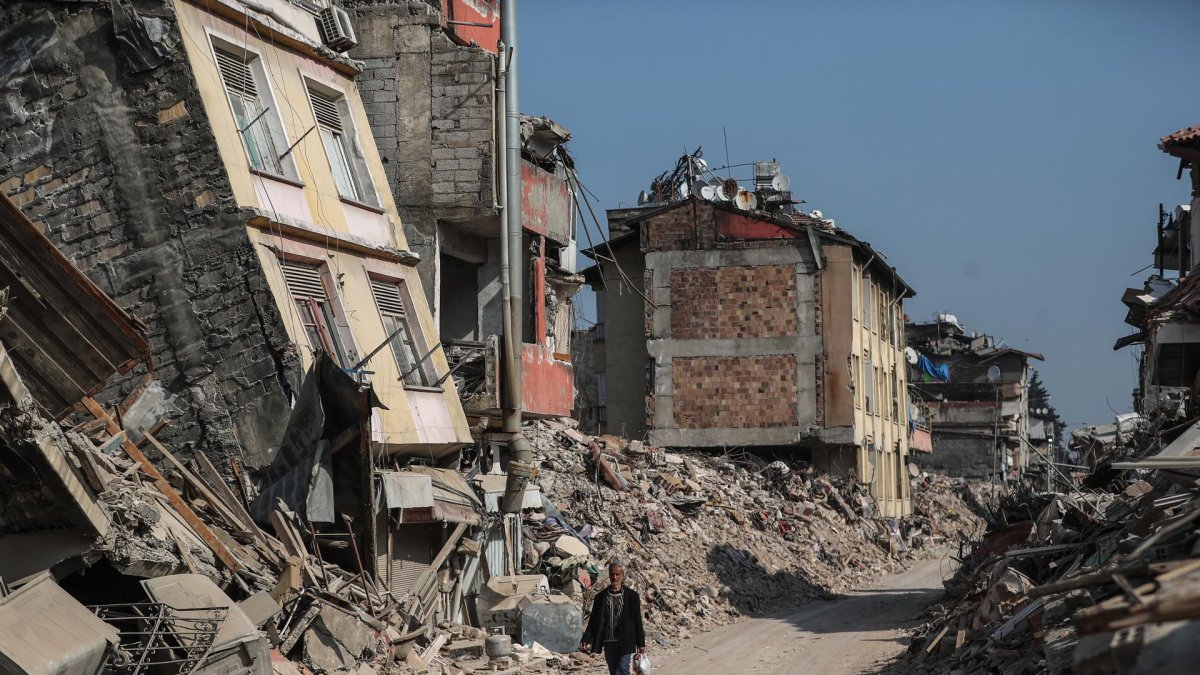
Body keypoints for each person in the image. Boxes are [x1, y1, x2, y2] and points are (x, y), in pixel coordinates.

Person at [581, 561, 646, 675]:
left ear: (622, 575)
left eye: (617, 574)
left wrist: (641, 643)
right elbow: (593, 621)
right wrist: (586, 639)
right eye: (612, 574)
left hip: (626, 640)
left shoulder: (632, 596)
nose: (614, 577)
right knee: (613, 671)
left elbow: (637, 621)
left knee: (623, 669)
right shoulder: (601, 597)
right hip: (609, 641)